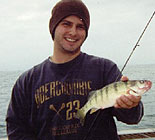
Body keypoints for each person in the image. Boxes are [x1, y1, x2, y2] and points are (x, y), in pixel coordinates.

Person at [6, 0, 143, 140]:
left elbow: (133, 118)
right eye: (66, 24)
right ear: (53, 27)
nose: (73, 32)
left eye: (80, 27)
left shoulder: (105, 69)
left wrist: (130, 105)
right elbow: (16, 129)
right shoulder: (27, 81)